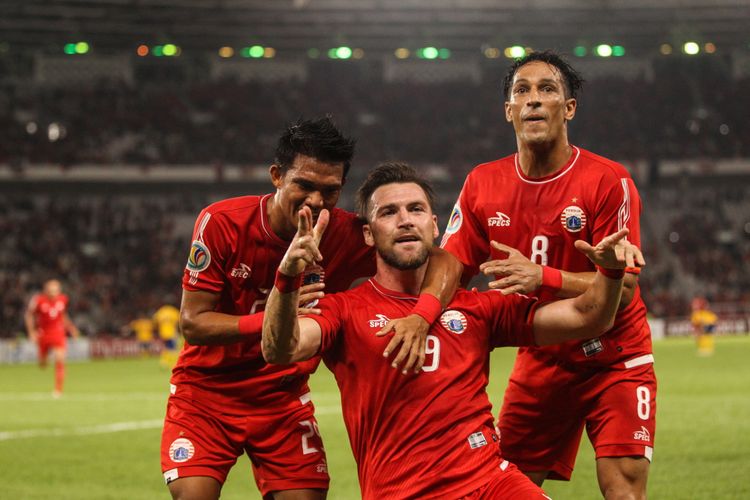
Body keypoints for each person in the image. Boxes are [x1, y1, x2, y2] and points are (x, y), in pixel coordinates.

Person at [262, 163, 644, 500]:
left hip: (493, 483)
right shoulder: (345, 311)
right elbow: (281, 348)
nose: (405, 219)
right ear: (367, 234)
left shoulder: (476, 307)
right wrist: (286, 277)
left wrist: (609, 273)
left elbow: (589, 317)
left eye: (416, 209)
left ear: (435, 225)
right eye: (389, 212)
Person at [161, 118, 460, 500]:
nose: (316, 201)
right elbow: (194, 323)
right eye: (304, 185)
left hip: (282, 398)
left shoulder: (346, 234)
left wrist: (423, 314)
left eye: (330, 191)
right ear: (276, 176)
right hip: (207, 394)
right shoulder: (222, 223)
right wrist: (271, 314)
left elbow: (445, 261)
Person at [440, 50, 656, 498]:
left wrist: (543, 277)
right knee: (506, 487)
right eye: (522, 91)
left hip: (614, 356)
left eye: (547, 89)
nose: (533, 100)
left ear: (569, 107)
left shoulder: (608, 180)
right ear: (509, 111)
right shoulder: (482, 182)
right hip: (541, 356)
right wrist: (423, 314)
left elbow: (627, 287)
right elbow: (449, 268)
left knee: (623, 489)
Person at [24, 279, 80, 397]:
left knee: (60, 359)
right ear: (46, 290)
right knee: (43, 364)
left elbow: (63, 315)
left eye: (56, 290)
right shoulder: (38, 300)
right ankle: (45, 356)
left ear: (59, 291)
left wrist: (71, 328)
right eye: (51, 290)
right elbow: (29, 315)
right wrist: (31, 332)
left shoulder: (63, 299)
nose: (53, 293)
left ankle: (58, 390)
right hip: (43, 333)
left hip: (58, 333)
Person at [153, 303, 180, 368]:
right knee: (173, 349)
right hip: (171, 333)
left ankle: (164, 362)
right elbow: (180, 321)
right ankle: (173, 363)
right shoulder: (173, 311)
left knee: (167, 348)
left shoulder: (160, 311)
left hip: (163, 333)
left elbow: (155, 322)